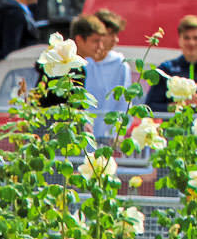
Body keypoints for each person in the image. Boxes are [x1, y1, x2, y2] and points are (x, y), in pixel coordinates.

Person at [38, 13, 104, 110]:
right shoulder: (68, 67)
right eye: (95, 41)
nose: (100, 46)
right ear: (79, 39)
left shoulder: (76, 66)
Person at [84, 8, 131, 140]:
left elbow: (124, 104)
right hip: (81, 136)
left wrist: (117, 135)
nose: (115, 39)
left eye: (116, 34)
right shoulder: (81, 61)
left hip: (107, 139)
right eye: (110, 34)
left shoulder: (121, 64)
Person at [146, 15, 197, 112]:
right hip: (173, 122)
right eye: (186, 38)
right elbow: (149, 107)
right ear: (179, 40)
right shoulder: (166, 70)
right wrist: (176, 107)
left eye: (196, 38)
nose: (191, 43)